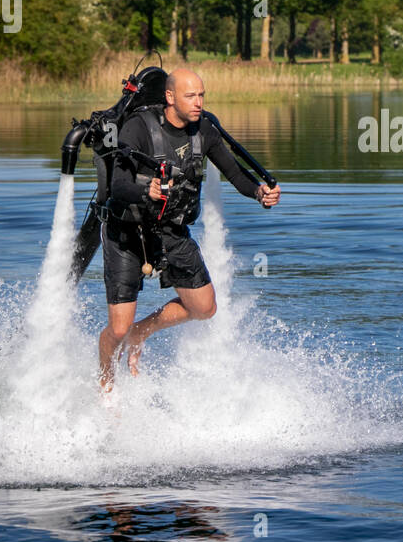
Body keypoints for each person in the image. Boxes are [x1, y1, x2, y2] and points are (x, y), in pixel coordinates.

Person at [97, 68, 280, 394]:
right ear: (170, 97)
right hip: (127, 233)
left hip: (171, 231)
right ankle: (106, 380)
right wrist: (146, 190)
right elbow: (118, 184)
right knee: (119, 326)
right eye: (190, 96)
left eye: (201, 95)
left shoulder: (205, 130)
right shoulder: (138, 127)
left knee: (203, 308)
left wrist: (259, 193)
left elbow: (235, 174)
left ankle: (143, 331)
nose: (198, 103)